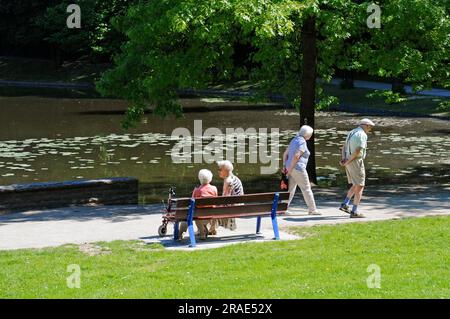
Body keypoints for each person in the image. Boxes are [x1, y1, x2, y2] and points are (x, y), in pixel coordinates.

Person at [339, 118, 375, 218]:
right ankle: (354, 211)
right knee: (360, 186)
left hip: (348, 160)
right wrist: (348, 160)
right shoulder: (362, 134)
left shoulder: (352, 132)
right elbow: (358, 151)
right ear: (366, 125)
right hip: (355, 161)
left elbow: (344, 146)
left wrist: (344, 159)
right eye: (370, 127)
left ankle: (345, 204)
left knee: (355, 184)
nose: (370, 129)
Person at [283, 125, 320, 215]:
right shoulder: (302, 141)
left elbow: (285, 154)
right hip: (298, 168)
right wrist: (291, 168)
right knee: (306, 188)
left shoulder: (294, 140)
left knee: (290, 190)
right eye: (311, 134)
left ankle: (283, 209)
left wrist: (286, 167)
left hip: (289, 167)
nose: (311, 136)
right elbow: (297, 155)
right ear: (307, 134)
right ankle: (312, 209)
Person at [179, 169, 218, 240]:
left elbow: (192, 203)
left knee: (188, 215)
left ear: (200, 179)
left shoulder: (197, 190)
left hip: (199, 216)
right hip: (211, 214)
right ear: (210, 178)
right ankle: (204, 231)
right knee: (198, 213)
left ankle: (180, 233)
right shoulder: (214, 189)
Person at [210, 160, 243, 234]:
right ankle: (211, 229)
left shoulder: (228, 181)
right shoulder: (235, 178)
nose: (218, 171)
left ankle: (210, 229)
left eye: (220, 169)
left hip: (233, 208)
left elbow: (225, 200)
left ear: (226, 170)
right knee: (215, 207)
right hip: (239, 206)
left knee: (212, 209)